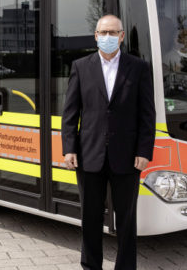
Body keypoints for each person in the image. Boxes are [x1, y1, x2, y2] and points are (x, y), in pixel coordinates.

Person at [61, 14, 155, 270]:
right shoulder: (81, 67)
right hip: (89, 155)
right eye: (103, 33)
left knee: (126, 220)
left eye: (113, 33)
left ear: (122, 37)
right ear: (95, 37)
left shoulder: (138, 68)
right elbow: (70, 112)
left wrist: (145, 150)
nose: (108, 37)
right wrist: (69, 148)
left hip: (127, 156)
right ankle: (91, 266)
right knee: (90, 218)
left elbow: (147, 114)